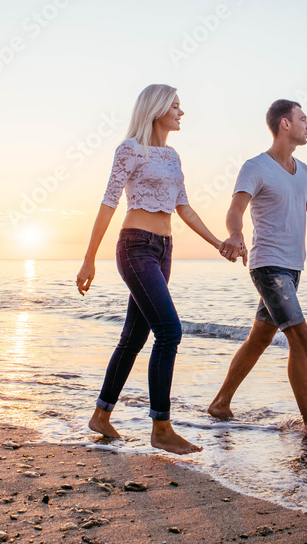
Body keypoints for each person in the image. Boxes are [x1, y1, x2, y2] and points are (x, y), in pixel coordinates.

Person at [76, 83, 231, 455]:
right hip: (135, 247)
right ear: (157, 109)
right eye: (175, 106)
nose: (181, 112)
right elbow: (109, 202)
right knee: (170, 332)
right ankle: (161, 428)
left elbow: (185, 208)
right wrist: (89, 257)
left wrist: (219, 243)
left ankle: (101, 415)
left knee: (133, 337)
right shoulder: (130, 149)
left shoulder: (173, 156)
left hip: (163, 250)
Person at [209, 99, 307, 441]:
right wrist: (236, 234)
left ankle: (220, 403)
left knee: (260, 338)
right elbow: (235, 209)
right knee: (300, 336)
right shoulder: (256, 167)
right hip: (268, 266)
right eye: (303, 119)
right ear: (285, 124)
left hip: (293, 269)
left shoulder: (304, 171)